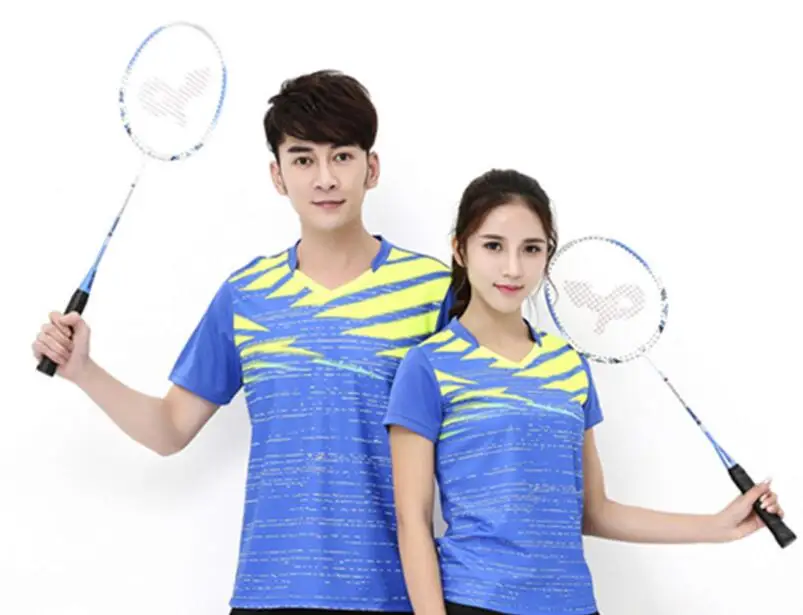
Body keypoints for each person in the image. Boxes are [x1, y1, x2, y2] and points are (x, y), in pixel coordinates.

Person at [32, 70, 455, 614]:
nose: (325, 178)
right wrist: (83, 370)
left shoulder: (433, 292)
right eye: (303, 159)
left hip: (395, 596)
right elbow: (170, 428)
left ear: (370, 168)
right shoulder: (246, 295)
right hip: (266, 593)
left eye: (342, 156)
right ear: (278, 175)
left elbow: (473, 445)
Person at [382, 168, 785, 615]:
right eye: (493, 246)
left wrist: (720, 525)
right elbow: (412, 522)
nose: (513, 267)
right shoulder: (428, 365)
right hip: (477, 602)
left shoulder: (568, 365)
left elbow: (595, 511)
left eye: (531, 248)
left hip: (573, 604)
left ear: (547, 255)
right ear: (460, 249)